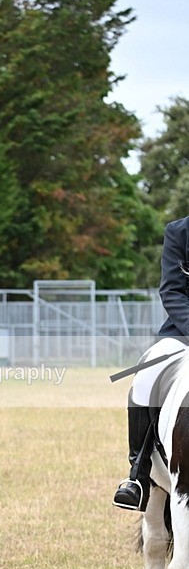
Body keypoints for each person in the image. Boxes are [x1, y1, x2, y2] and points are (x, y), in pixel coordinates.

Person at [113, 216, 189, 511]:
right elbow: (172, 291)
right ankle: (139, 474)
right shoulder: (179, 232)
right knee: (146, 373)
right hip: (183, 334)